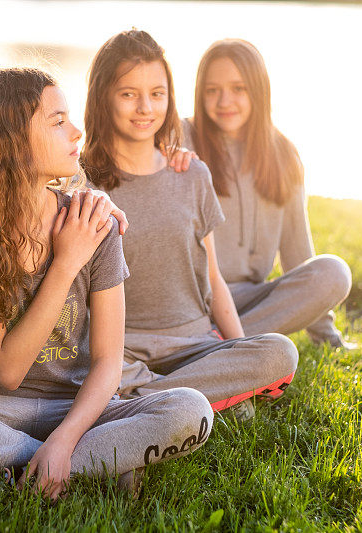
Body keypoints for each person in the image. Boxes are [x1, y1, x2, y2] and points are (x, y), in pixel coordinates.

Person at [0, 67, 213, 500]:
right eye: (58, 121)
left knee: (191, 410)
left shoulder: (92, 222)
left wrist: (65, 438)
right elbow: (8, 371)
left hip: (81, 409)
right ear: (8, 141)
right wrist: (66, 263)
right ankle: (89, 469)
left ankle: (1, 475)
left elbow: (107, 363)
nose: (77, 131)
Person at [81, 30, 298, 420]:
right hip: (119, 349)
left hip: (193, 342)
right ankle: (144, 396)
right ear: (103, 97)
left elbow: (213, 277)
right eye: (129, 93)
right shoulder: (85, 185)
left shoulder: (192, 173)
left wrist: (240, 351)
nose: (145, 107)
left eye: (157, 93)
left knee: (279, 352)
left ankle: (138, 400)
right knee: (239, 414)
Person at [182, 38, 355, 349]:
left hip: (251, 300)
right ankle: (212, 344)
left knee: (333, 271)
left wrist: (326, 335)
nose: (225, 101)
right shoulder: (181, 139)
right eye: (212, 90)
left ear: (258, 90)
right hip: (191, 299)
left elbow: (296, 251)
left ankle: (213, 347)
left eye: (238, 88)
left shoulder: (283, 154)